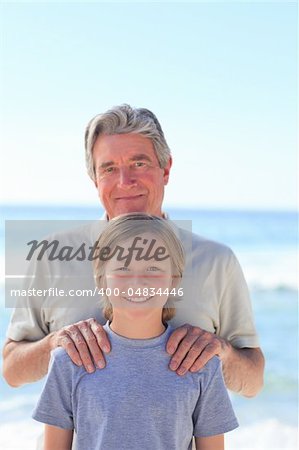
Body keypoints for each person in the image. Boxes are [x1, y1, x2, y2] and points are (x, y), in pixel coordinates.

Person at [3, 104, 264, 397]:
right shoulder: (51, 256)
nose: (125, 182)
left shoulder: (216, 261)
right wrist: (54, 345)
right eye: (109, 169)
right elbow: (12, 370)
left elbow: (253, 381)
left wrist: (223, 354)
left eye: (139, 164)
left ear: (166, 169)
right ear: (95, 180)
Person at [32, 213, 238, 450]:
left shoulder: (202, 364)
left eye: (152, 268)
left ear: (174, 279)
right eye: (123, 268)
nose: (138, 282)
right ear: (101, 280)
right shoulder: (68, 361)